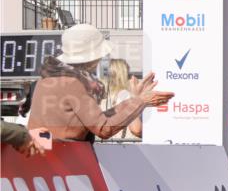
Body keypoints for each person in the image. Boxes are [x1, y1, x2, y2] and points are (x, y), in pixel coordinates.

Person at [27, 24, 172, 141]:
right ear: (91, 57)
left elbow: (99, 119)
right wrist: (140, 102)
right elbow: (104, 128)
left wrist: (135, 101)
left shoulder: (50, 78)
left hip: (45, 158)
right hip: (60, 160)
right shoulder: (72, 83)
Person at [101, 58, 142, 140]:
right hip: (126, 148)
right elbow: (136, 130)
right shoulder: (126, 96)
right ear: (123, 76)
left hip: (101, 147)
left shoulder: (100, 97)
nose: (132, 77)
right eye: (129, 74)